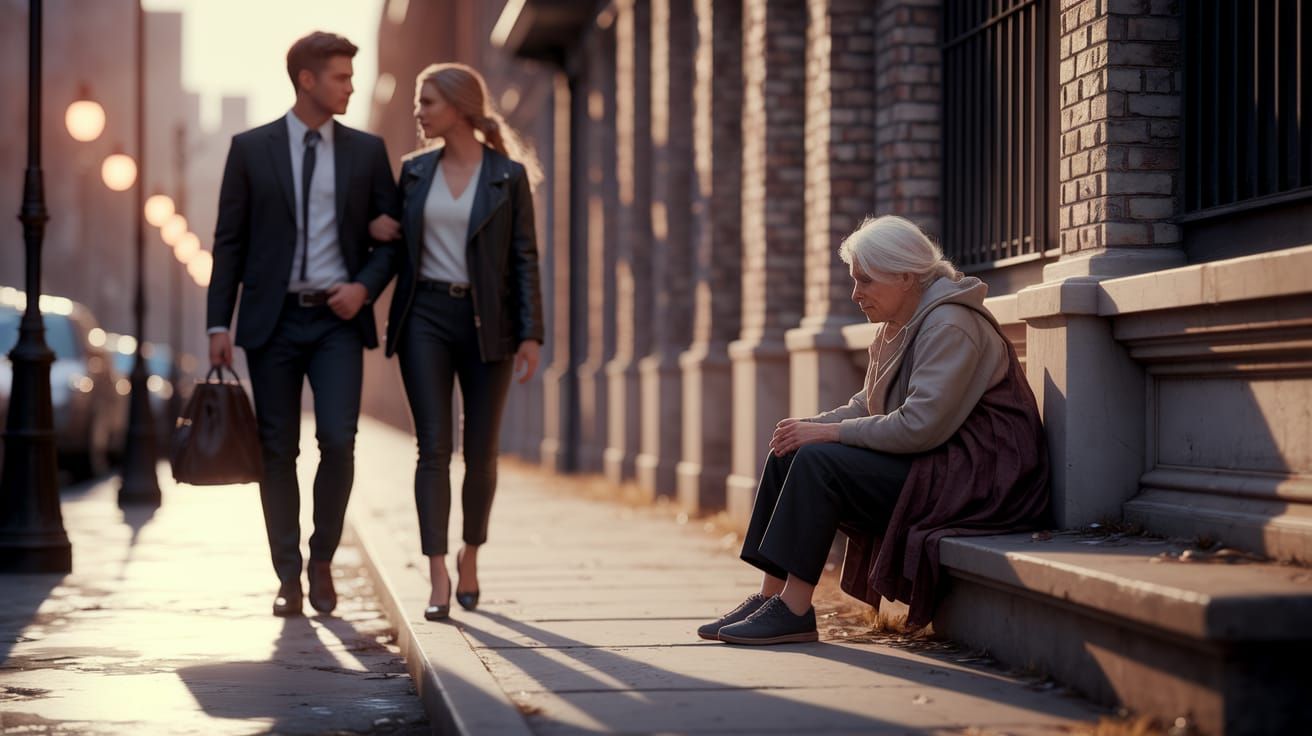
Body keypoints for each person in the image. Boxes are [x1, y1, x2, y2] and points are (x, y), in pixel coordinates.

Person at [699, 215, 1050, 645]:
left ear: (905, 276)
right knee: (790, 449)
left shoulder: (951, 326)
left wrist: (827, 436)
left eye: (865, 281)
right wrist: (810, 426)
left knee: (817, 461)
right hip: (933, 467)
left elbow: (920, 427)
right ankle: (770, 596)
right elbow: (867, 406)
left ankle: (794, 609)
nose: (855, 294)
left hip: (977, 481)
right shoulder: (894, 327)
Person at [207, 31, 402, 617]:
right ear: (307, 80)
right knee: (277, 450)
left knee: (339, 439)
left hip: (338, 322)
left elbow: (395, 238)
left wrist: (363, 287)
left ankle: (323, 559)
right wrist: (219, 323)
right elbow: (229, 242)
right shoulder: (250, 148)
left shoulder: (367, 152)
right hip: (273, 322)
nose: (350, 86)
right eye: (340, 77)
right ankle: (288, 575)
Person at [369, 63, 544, 621]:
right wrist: (372, 230)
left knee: (482, 453)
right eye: (419, 101)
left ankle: (471, 552)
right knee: (433, 449)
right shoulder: (414, 172)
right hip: (424, 318)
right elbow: (396, 249)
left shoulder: (507, 176)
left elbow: (524, 258)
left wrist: (531, 334)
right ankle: (438, 571)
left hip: (487, 323)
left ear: (459, 107)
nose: (418, 112)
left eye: (428, 102)